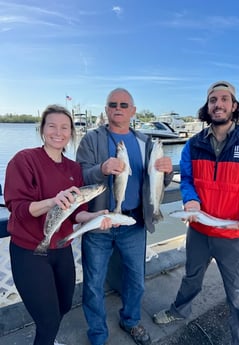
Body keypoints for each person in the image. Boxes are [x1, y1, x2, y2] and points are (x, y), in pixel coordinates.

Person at [153, 81, 239, 345]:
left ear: (234, 106)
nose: (218, 104)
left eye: (224, 99)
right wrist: (190, 201)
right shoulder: (193, 144)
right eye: (213, 100)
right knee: (191, 278)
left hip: (235, 234)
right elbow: (186, 179)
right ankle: (179, 311)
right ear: (207, 106)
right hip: (199, 231)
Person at [4, 104, 112, 345]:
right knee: (48, 321)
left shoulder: (74, 168)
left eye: (65, 127)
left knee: (63, 306)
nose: (58, 132)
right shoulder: (24, 160)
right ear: (42, 129)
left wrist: (96, 218)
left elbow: (77, 214)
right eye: (51, 125)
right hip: (29, 251)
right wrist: (53, 201)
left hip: (62, 248)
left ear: (72, 132)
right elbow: (18, 209)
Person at [76, 88, 173, 345]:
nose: (117, 108)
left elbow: (155, 180)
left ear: (133, 111)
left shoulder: (146, 142)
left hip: (134, 223)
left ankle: (130, 320)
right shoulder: (91, 140)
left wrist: (167, 171)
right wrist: (102, 169)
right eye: (112, 104)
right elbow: (79, 176)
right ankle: (97, 333)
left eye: (123, 104)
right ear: (106, 109)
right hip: (99, 223)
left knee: (136, 280)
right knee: (93, 284)